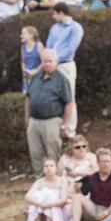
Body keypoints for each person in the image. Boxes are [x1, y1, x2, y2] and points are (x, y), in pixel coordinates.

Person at [25, 48, 73, 177]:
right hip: (34, 121)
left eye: (50, 61)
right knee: (35, 153)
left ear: (56, 62)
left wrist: (65, 125)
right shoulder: (35, 77)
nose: (47, 64)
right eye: (45, 61)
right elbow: (28, 99)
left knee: (53, 154)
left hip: (52, 121)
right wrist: (27, 120)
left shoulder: (62, 80)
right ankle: (40, 181)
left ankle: (55, 182)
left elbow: (69, 103)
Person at [46, 2, 84, 136]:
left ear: (61, 13)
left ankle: (70, 130)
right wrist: (49, 60)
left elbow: (71, 48)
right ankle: (57, 128)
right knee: (54, 97)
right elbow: (49, 45)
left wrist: (56, 59)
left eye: (55, 13)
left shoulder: (76, 28)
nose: (53, 17)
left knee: (69, 97)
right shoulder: (54, 28)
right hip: (52, 65)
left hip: (66, 65)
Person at [21, 157, 74, 221]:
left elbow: (63, 199)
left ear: (56, 169)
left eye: (51, 166)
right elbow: (27, 196)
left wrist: (48, 204)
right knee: (37, 195)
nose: (49, 168)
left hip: (58, 208)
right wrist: (39, 203)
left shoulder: (62, 181)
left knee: (49, 193)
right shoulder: (39, 182)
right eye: (46, 166)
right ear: (43, 169)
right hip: (42, 207)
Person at [20, 25, 43, 97]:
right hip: (27, 78)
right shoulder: (23, 46)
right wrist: (24, 71)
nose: (21, 36)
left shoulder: (38, 45)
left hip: (38, 77)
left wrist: (35, 72)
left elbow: (44, 62)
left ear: (31, 35)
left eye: (23, 33)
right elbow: (23, 61)